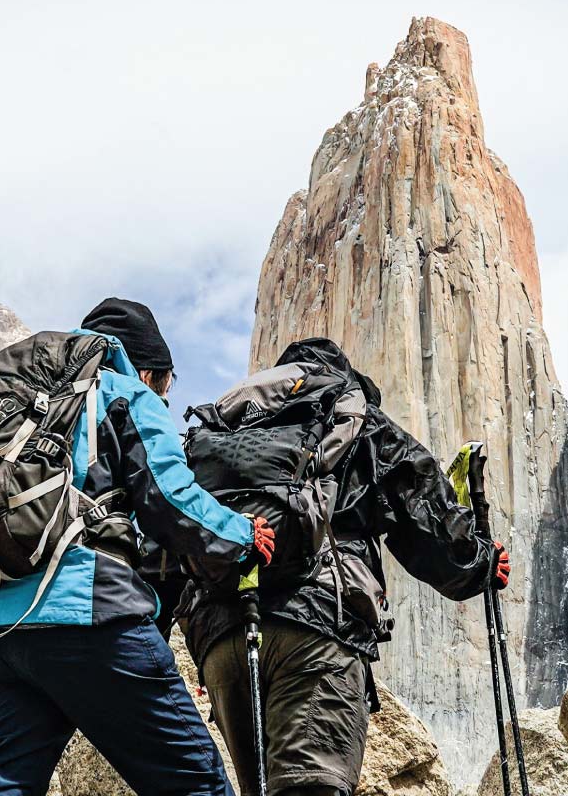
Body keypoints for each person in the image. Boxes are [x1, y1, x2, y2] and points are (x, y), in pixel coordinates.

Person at [0, 297, 274, 796]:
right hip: (83, 616)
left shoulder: (20, 398)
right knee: (196, 784)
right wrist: (240, 534)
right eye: (166, 386)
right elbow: (170, 499)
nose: (164, 398)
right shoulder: (123, 392)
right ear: (150, 371)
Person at [180, 339, 511, 796]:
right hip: (315, 633)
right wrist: (480, 562)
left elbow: (171, 526)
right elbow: (420, 508)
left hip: (223, 641)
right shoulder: (350, 413)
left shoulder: (225, 427)